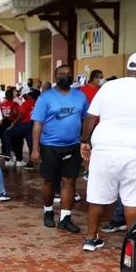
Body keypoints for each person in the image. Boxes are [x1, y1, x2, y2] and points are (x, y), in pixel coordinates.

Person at [81, 53, 136, 252]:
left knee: (98, 195)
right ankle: (132, 244)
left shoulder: (108, 87)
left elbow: (90, 117)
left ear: (128, 70)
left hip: (105, 149)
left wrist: (85, 141)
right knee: (133, 200)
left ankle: (90, 238)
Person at [29, 65, 89, 233]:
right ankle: (48, 212)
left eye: (68, 74)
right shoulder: (45, 98)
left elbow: (86, 119)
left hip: (73, 146)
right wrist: (35, 149)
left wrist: (86, 141)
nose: (65, 76)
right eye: (61, 74)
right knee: (49, 181)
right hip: (50, 146)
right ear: (55, 76)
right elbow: (37, 123)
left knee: (69, 181)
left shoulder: (80, 97)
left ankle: (65, 218)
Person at [7, 89, 37, 167]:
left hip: (25, 125)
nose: (23, 97)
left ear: (27, 95)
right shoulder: (36, 102)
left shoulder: (26, 103)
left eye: (24, 96)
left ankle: (14, 157)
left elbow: (21, 115)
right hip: (33, 124)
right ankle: (31, 162)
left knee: (8, 134)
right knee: (30, 143)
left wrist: (13, 123)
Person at [0, 89, 20, 165]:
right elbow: (18, 114)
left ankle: (7, 158)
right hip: (12, 124)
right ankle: (14, 157)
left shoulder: (1, 104)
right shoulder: (15, 104)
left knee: (5, 141)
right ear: (12, 96)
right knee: (14, 141)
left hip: (3, 124)